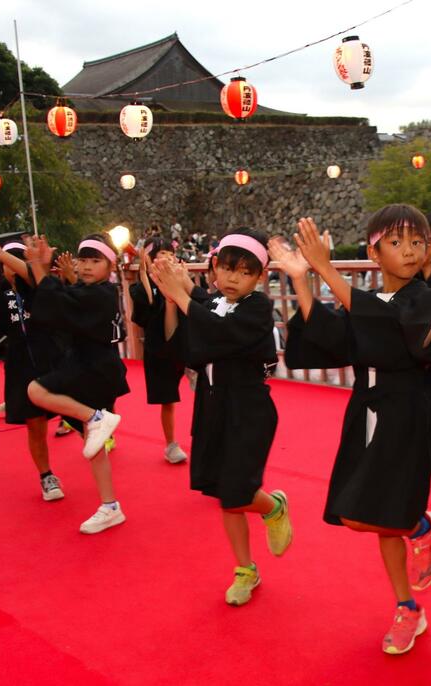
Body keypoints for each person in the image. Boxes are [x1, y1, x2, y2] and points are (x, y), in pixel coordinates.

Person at [276, 207, 431, 655]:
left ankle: (414, 545)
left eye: (418, 242)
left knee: (378, 513)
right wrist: (303, 279)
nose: (411, 251)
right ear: (374, 252)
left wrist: (324, 268)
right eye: (396, 243)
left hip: (409, 413)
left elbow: (389, 323)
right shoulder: (373, 299)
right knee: (360, 515)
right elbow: (332, 333)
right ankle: (409, 592)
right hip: (366, 410)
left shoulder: (426, 297)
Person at [151, 228, 293, 606]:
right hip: (213, 408)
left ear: (260, 277)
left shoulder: (258, 308)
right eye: (226, 268)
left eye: (245, 272)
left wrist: (183, 295)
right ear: (214, 266)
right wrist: (170, 297)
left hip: (249, 411)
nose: (232, 278)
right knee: (224, 497)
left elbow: (222, 332)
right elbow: (181, 346)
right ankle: (245, 569)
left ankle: (273, 507)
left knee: (237, 491)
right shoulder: (210, 303)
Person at [25, 234, 129, 534]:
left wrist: (37, 265)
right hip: (91, 365)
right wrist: (42, 267)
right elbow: (61, 301)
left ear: (110, 265)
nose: (86, 266)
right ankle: (110, 506)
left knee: (35, 390)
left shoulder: (101, 294)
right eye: (83, 259)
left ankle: (95, 417)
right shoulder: (91, 290)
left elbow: (57, 303)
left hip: (94, 367)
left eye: (95, 261)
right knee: (93, 444)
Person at [0, 230, 65, 500]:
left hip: (52, 356)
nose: (11, 266)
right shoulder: (2, 295)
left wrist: (11, 257)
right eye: (7, 262)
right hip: (22, 363)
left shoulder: (37, 288)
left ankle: (97, 447)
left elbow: (38, 277)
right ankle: (47, 476)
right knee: (35, 425)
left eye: (17, 260)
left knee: (78, 412)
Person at [130, 236, 187, 464]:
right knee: (167, 398)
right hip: (159, 349)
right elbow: (143, 314)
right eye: (162, 254)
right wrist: (144, 276)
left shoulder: (181, 279)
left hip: (183, 345)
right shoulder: (141, 287)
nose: (168, 258)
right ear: (151, 260)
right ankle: (171, 444)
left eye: (171, 254)